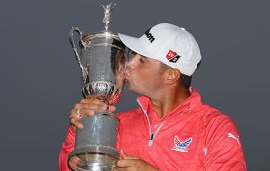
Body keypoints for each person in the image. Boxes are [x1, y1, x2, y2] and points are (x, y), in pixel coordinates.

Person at [59, 23, 247, 171]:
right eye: (133, 55)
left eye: (142, 60)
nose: (129, 63)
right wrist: (79, 132)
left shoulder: (215, 129)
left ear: (171, 75)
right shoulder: (118, 123)